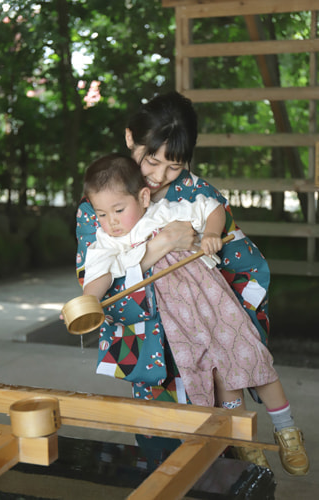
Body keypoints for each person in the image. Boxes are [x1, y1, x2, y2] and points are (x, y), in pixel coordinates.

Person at [76, 91, 308, 474]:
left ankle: (261, 444)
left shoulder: (196, 192)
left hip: (208, 319)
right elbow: (97, 284)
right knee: (164, 454)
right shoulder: (102, 204)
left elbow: (236, 258)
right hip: (153, 341)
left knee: (226, 456)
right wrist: (163, 245)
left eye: (174, 165)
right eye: (151, 160)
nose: (159, 175)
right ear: (131, 138)